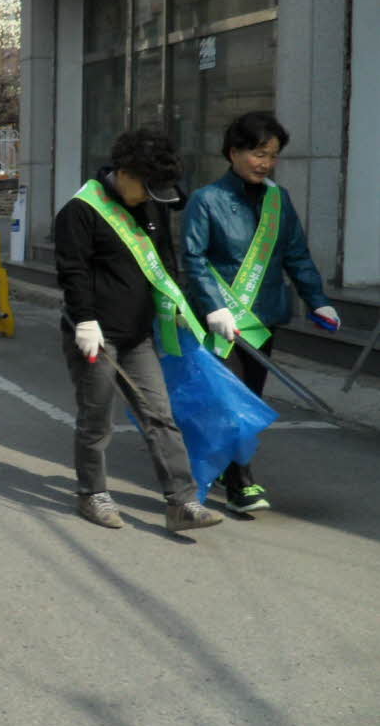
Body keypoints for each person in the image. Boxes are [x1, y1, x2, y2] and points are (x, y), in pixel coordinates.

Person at [54, 126, 225, 533]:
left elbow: (164, 254)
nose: (150, 197)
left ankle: (182, 502)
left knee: (160, 416)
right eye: (146, 187)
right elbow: (73, 271)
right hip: (96, 335)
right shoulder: (80, 211)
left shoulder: (151, 202)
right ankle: (92, 493)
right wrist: (85, 320)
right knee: (97, 420)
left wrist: (181, 306)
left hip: (137, 335)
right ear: (124, 172)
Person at [181, 111, 340, 513]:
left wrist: (316, 298)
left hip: (262, 319)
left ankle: (224, 461)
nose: (265, 163)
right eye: (257, 153)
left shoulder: (278, 200)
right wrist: (214, 307)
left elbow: (295, 254)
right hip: (221, 322)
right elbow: (194, 259)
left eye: (271, 155)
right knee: (231, 400)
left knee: (249, 397)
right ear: (233, 152)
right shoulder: (207, 200)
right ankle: (240, 482)